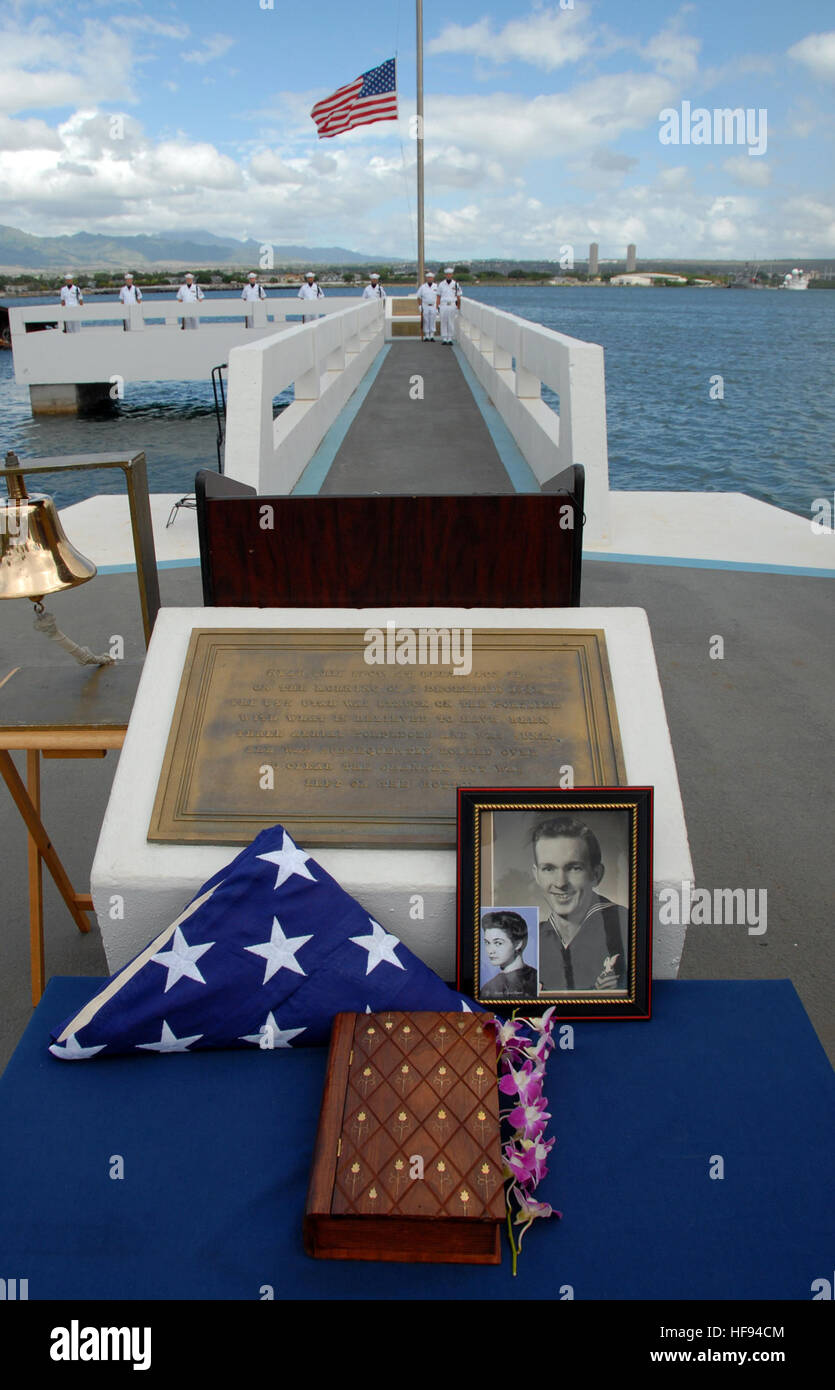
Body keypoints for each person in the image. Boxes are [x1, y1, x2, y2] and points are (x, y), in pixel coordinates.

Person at [533, 817, 628, 992]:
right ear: (537, 875)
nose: (560, 883)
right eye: (548, 868)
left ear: (596, 874)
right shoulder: (531, 939)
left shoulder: (625, 925)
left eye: (574, 868)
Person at [480, 911, 538, 999]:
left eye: (498, 943)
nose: (490, 951)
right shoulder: (538, 976)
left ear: (518, 944)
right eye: (487, 943)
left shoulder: (490, 989)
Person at [437, 267, 461, 344]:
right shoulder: (441, 284)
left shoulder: (456, 284)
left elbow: (458, 296)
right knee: (443, 321)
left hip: (452, 305)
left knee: (451, 322)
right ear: (445, 275)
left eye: (450, 274)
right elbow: (438, 296)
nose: (448, 275)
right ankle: (444, 338)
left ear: (452, 275)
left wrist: (458, 307)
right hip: (443, 305)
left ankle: (450, 338)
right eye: (447, 274)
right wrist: (437, 306)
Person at [416, 269, 437, 340]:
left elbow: (439, 297)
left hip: (433, 306)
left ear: (433, 278)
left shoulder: (436, 287)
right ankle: (427, 335)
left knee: (433, 320)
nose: (430, 279)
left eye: (431, 278)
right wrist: (420, 306)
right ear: (426, 278)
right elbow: (418, 297)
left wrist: (438, 307)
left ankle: (432, 335)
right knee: (426, 321)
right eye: (428, 278)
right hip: (425, 306)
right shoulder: (423, 287)